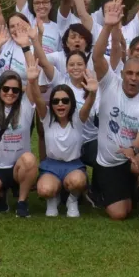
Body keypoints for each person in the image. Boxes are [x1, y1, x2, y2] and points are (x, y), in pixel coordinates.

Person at [92, 20, 139, 222]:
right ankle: (112, 191)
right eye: (129, 73)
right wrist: (107, 26)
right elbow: (96, 57)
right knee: (120, 214)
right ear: (122, 74)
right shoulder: (109, 83)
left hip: (131, 158)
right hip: (107, 163)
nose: (133, 78)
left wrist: (133, 149)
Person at [0, 65, 42, 216]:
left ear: (20, 92)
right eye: (6, 89)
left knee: (30, 159)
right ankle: (1, 192)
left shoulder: (26, 106)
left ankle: (22, 201)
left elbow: (33, 80)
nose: (10, 93)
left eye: (15, 90)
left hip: (18, 166)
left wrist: (32, 76)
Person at [35, 80, 91, 217]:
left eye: (65, 101)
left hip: (73, 165)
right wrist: (32, 81)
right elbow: (37, 98)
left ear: (71, 103)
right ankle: (53, 198)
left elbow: (89, 104)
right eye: (56, 101)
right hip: (51, 166)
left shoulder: (78, 118)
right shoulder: (46, 117)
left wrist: (93, 92)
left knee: (78, 182)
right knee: (44, 190)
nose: (60, 104)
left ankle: (72, 200)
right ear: (51, 104)